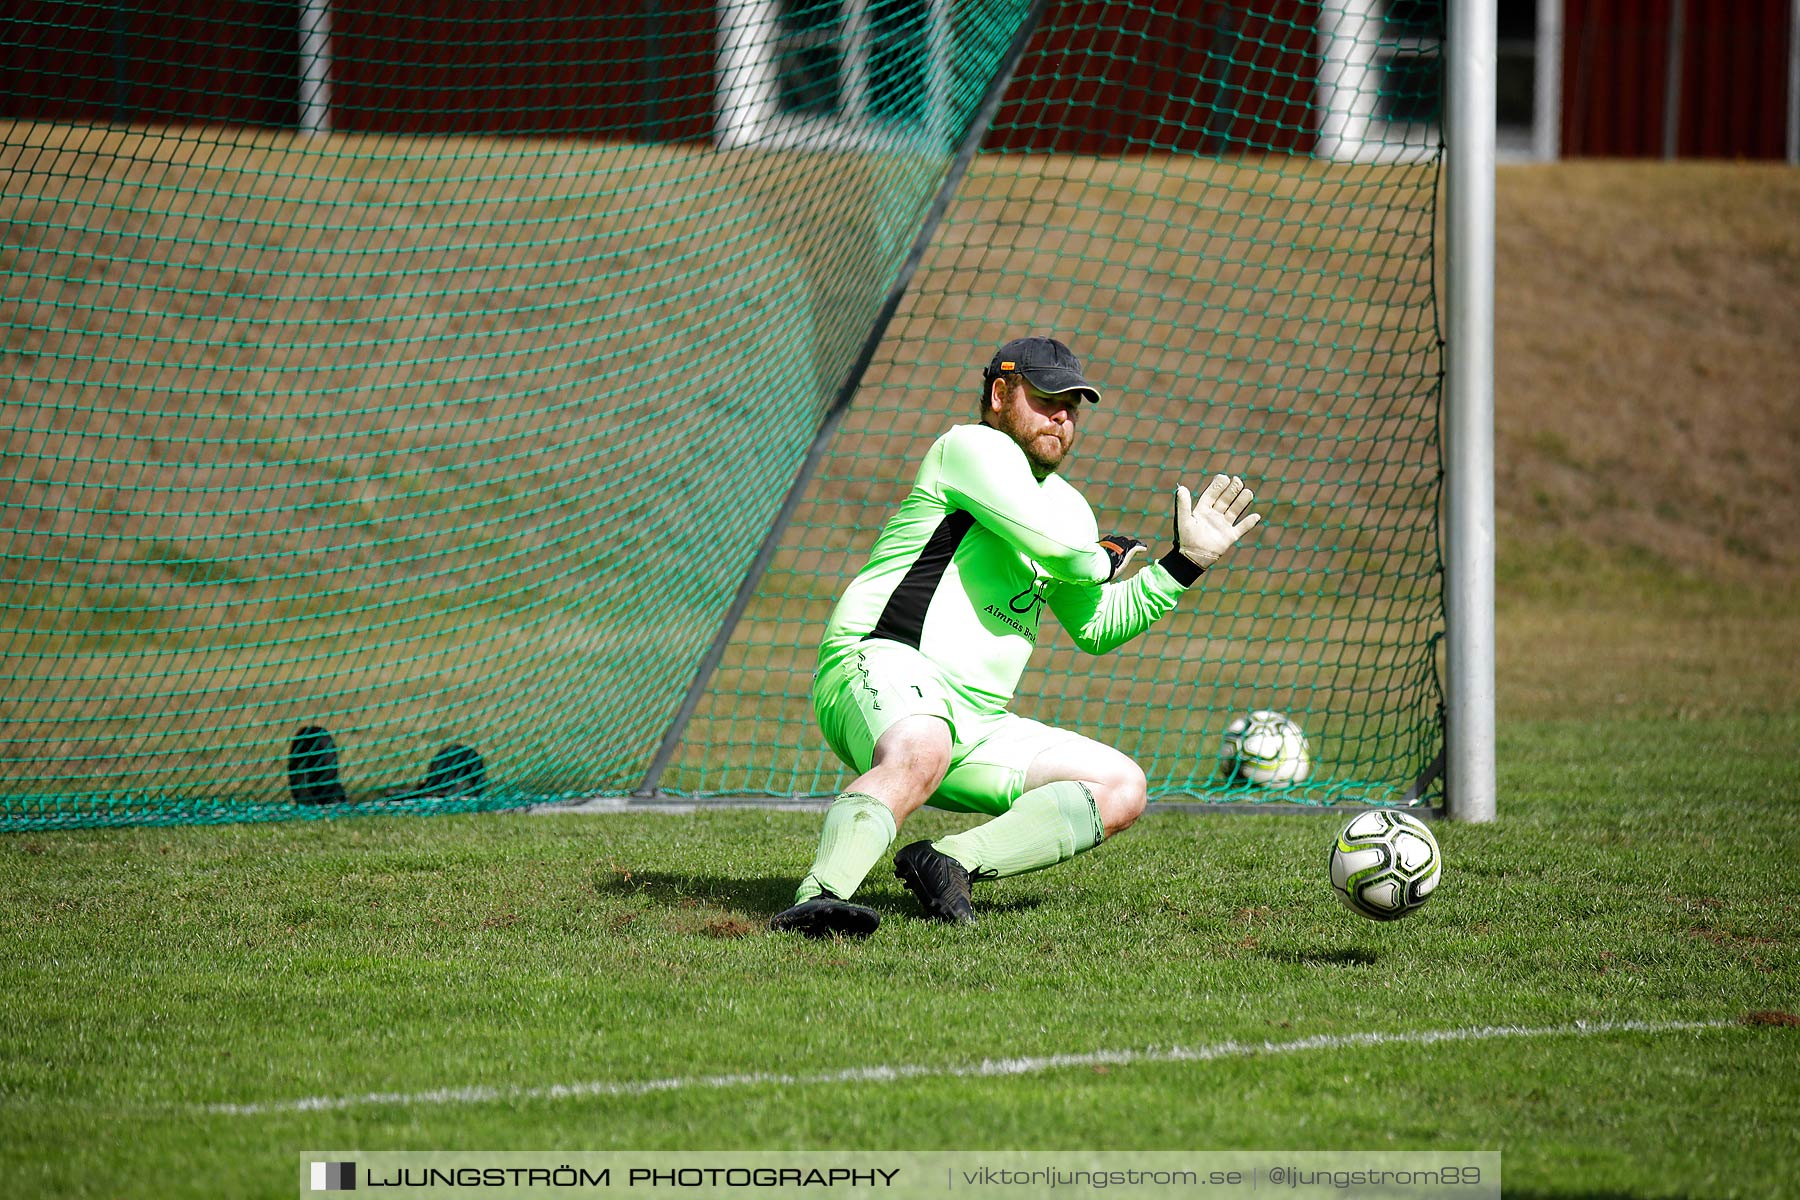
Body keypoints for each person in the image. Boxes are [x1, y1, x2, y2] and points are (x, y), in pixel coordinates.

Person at [769, 335, 1262, 938]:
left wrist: (1182, 565)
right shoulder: (969, 448)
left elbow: (1097, 627)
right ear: (1000, 395)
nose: (1062, 416)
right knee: (923, 747)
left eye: (1073, 406)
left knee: (1123, 786)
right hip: (880, 666)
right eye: (1047, 397)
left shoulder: (1071, 510)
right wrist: (1104, 558)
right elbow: (1064, 553)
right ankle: (817, 898)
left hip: (977, 722)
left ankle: (951, 862)